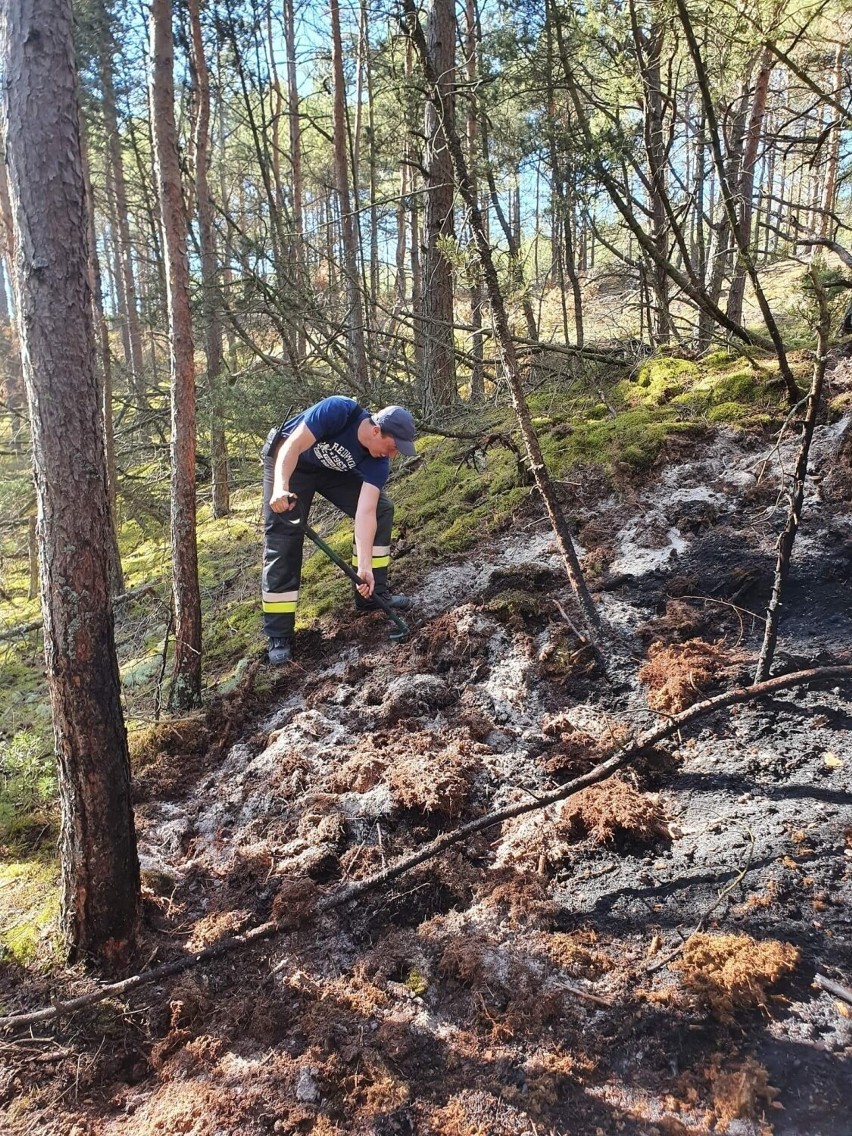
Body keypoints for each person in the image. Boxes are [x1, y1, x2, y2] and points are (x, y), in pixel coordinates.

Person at [261, 395, 416, 664]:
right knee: (284, 539)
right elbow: (292, 446)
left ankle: (372, 595)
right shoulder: (338, 411)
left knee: (381, 508)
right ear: (377, 430)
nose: (392, 455)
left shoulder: (377, 461)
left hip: (332, 470)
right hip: (291, 462)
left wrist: (364, 567)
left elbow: (366, 512)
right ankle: (279, 634)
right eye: (393, 446)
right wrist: (280, 488)